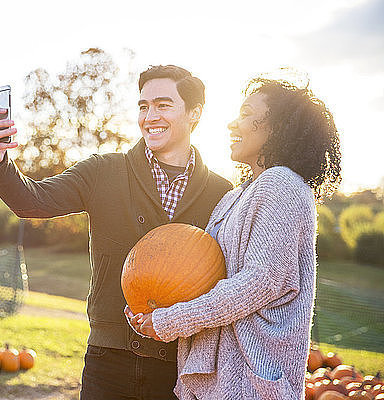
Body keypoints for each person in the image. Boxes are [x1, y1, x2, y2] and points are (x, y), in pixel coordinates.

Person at [0, 65, 232, 399]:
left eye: (163, 105)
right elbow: (32, 201)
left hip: (181, 367)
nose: (149, 116)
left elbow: (228, 279)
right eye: (143, 106)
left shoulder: (222, 192)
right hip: (108, 359)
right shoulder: (103, 171)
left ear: (194, 113)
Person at [126, 76, 342, 399]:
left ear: (278, 125)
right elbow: (203, 274)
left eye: (245, 113)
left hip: (249, 385)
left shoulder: (283, 185)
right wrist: (151, 310)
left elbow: (257, 284)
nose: (231, 124)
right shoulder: (234, 198)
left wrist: (169, 320)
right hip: (220, 383)